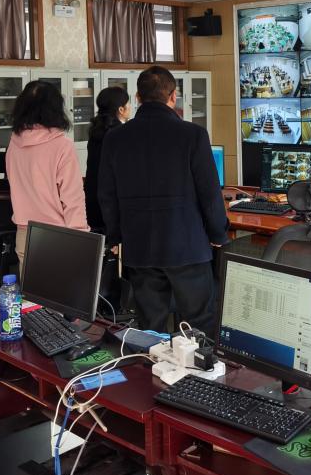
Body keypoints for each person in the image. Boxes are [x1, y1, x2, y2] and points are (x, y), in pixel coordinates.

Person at [98, 66, 228, 333]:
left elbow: (107, 194)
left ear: (138, 97)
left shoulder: (115, 138)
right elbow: (210, 193)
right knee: (199, 324)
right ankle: (197, 362)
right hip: (187, 247)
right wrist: (218, 233)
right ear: (173, 96)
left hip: (140, 247)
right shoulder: (193, 135)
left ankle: (151, 361)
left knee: (150, 327)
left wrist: (116, 237)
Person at [5, 81, 87, 267]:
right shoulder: (62, 146)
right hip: (56, 235)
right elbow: (73, 198)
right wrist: (80, 236)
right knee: (61, 286)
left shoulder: (14, 142)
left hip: (24, 232)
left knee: (30, 286)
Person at [85, 86, 131, 230]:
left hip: (92, 200)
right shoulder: (121, 134)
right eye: (128, 103)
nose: (130, 107)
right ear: (121, 109)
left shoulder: (95, 131)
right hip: (111, 203)